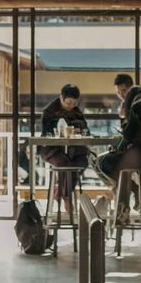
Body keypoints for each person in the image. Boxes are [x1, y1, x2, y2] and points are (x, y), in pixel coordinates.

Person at [95, 73, 141, 181]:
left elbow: (128, 135)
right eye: (118, 92)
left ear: (130, 89)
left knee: (104, 162)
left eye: (124, 91)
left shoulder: (137, 107)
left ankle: (130, 190)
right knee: (118, 164)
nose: (121, 95)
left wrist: (118, 149)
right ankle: (128, 191)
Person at [40, 85, 91, 213]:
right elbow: (46, 134)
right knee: (65, 164)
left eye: (74, 103)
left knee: (82, 162)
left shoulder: (77, 112)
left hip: (73, 150)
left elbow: (86, 130)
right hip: (52, 150)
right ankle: (67, 197)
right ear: (61, 97)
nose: (71, 106)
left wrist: (79, 127)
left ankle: (60, 192)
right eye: (68, 102)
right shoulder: (49, 112)